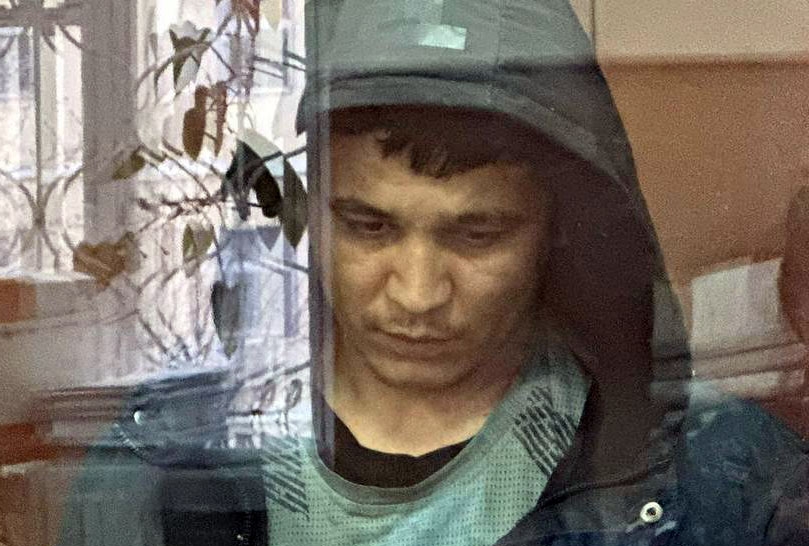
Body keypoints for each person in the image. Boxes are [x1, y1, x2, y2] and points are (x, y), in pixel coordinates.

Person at [59, 0, 808, 545]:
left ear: (556, 233)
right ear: (310, 212)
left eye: (478, 235)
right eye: (368, 226)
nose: (417, 294)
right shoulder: (154, 472)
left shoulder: (724, 484)